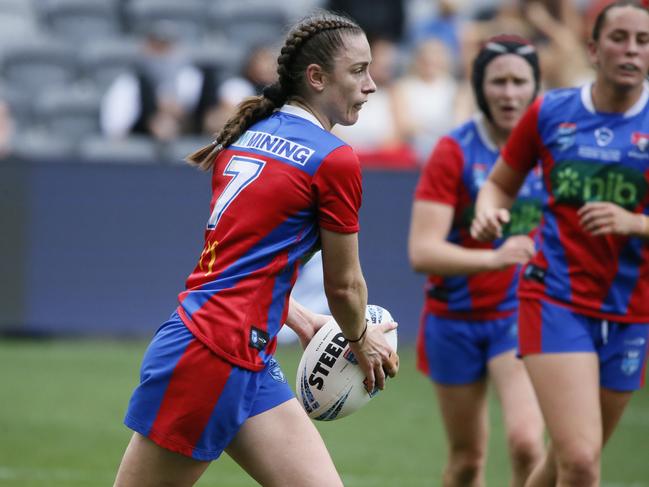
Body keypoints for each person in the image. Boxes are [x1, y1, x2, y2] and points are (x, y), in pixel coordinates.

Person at [113, 11, 399, 487]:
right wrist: (358, 338)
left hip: (239, 351)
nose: (371, 84)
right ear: (316, 78)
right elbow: (346, 286)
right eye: (358, 70)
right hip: (210, 357)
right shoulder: (334, 158)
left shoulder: (246, 137)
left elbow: (243, 267)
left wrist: (304, 320)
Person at [470, 2, 649, 485]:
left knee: (564, 461)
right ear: (593, 48)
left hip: (631, 309)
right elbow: (500, 183)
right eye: (619, 38)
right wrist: (489, 210)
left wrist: (636, 225)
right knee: (582, 461)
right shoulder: (551, 111)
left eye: (642, 40)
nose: (630, 49)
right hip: (556, 296)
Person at [408, 35, 546, 487]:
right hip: (454, 319)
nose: (509, 93)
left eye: (519, 82)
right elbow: (422, 253)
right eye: (498, 81)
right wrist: (494, 258)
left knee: (528, 444)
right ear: (479, 86)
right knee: (468, 460)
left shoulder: (551, 147)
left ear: (535, 86)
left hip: (516, 314)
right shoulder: (455, 150)